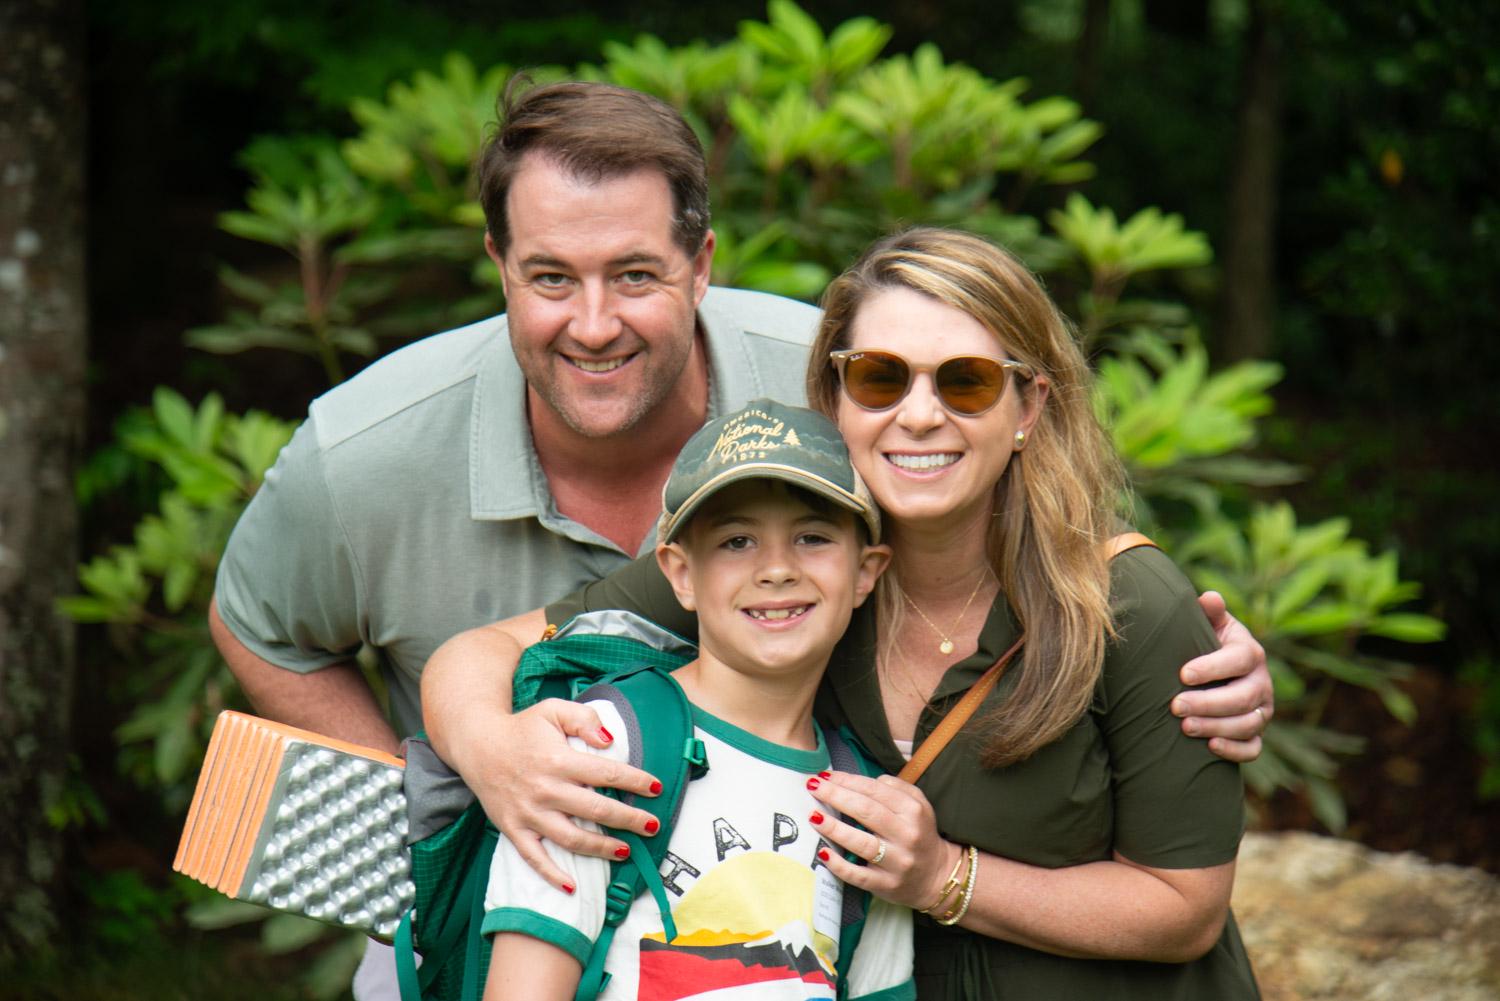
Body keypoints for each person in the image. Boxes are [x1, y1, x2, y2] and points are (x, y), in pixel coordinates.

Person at [207, 78, 1269, 994]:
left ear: (702, 263)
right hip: (560, 875)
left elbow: (1054, 542)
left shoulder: (836, 401)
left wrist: (1189, 655)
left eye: (635, 273)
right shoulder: (367, 450)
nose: (915, 411)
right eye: (550, 276)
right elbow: (318, 635)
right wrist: (478, 786)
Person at [424, 228, 1262, 998]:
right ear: (837, 395)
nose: (920, 414)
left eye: (967, 382)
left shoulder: (1127, 605)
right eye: (880, 377)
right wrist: (498, 753)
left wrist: (944, 877)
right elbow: (482, 653)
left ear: (1029, 407)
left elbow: (1184, 906)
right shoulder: (792, 572)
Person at [477, 399, 914, 1000]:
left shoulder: (865, 806)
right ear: (681, 573)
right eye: (737, 541)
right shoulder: (603, 745)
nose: (777, 569)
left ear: (866, 571)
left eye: (812, 537)